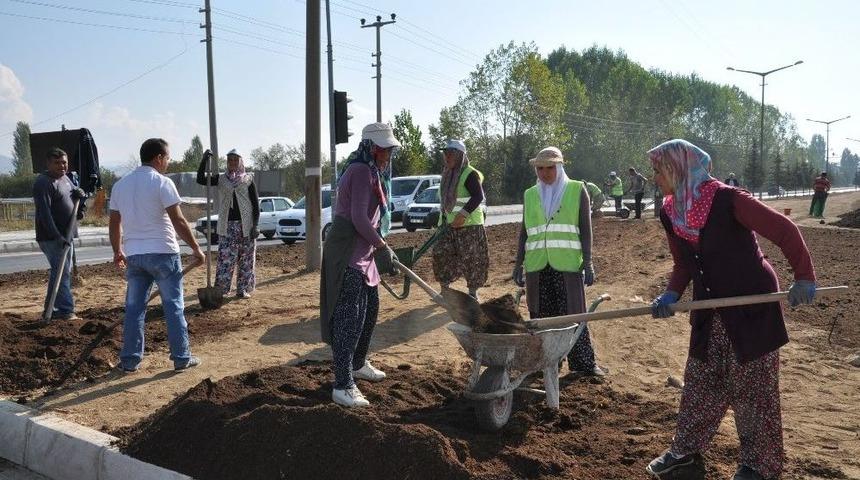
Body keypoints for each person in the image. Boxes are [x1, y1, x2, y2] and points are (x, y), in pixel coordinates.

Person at [644, 139, 817, 480]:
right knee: (700, 381)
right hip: (710, 310)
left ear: (678, 168)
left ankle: (759, 465)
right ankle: (685, 455)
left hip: (750, 305)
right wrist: (671, 294)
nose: (655, 178)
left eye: (658, 170)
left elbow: (785, 230)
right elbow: (683, 264)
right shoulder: (670, 211)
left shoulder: (727, 199)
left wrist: (804, 276)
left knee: (754, 389)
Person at [320, 123, 402, 408]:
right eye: (385, 149)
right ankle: (342, 385)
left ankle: (357, 364)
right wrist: (382, 245)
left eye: (390, 149)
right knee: (348, 319)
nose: (389, 153)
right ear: (371, 147)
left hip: (364, 254)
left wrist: (378, 246)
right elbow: (357, 217)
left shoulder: (374, 173)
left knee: (370, 311)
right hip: (347, 253)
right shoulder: (359, 171)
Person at [109, 138, 205, 373]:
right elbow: (178, 220)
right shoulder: (162, 183)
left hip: (135, 256)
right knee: (173, 306)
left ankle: (130, 361)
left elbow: (114, 223)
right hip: (163, 253)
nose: (168, 164)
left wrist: (117, 251)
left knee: (134, 308)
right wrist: (195, 248)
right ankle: (181, 357)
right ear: (158, 158)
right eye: (167, 159)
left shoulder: (120, 185)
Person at [512, 147, 604, 377]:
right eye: (540, 168)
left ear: (560, 167)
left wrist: (589, 261)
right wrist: (518, 263)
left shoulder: (576, 190)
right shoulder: (530, 194)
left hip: (567, 265)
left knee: (572, 315)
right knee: (541, 316)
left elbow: (585, 228)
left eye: (550, 168)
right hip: (537, 266)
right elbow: (524, 232)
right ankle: (546, 363)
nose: (544, 173)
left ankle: (583, 364)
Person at [196, 148, 260, 298]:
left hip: (246, 225)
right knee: (226, 259)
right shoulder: (221, 179)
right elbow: (200, 179)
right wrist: (204, 160)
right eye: (230, 159)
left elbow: (255, 204)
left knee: (246, 259)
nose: (232, 162)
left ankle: (242, 289)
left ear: (240, 162)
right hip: (227, 225)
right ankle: (222, 290)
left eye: (235, 160)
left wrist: (255, 225)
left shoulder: (248, 179)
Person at [431, 139, 489, 300]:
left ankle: (472, 293)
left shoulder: (469, 173)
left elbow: (478, 196)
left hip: (469, 225)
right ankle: (445, 291)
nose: (447, 157)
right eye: (445, 153)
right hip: (447, 225)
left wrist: (462, 214)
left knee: (472, 259)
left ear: (460, 155)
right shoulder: (447, 174)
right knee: (441, 254)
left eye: (450, 154)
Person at [33, 148, 85, 321]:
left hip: (66, 234)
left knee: (60, 272)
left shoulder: (66, 179)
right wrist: (57, 236)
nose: (62, 166)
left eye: (64, 162)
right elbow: (44, 213)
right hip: (52, 237)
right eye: (57, 163)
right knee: (62, 272)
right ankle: (65, 310)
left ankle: (51, 309)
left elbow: (74, 201)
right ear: (48, 164)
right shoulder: (43, 183)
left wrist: (81, 198)